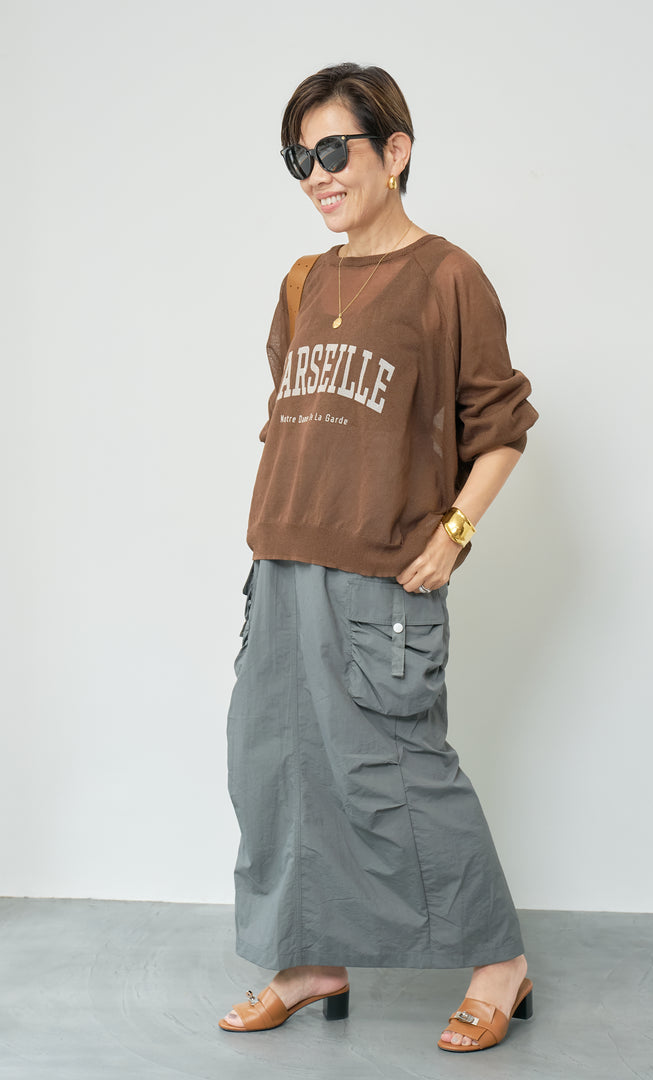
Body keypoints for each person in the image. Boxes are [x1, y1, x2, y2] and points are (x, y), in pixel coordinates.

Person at [220, 62, 538, 1053]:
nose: (316, 174)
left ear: (394, 151)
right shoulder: (303, 281)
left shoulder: (447, 277)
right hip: (281, 560)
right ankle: (312, 961)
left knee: (397, 776)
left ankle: (500, 964)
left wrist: (455, 532)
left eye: (333, 150)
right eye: (299, 158)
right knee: (275, 769)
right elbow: (292, 415)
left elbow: (502, 429)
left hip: (380, 577)